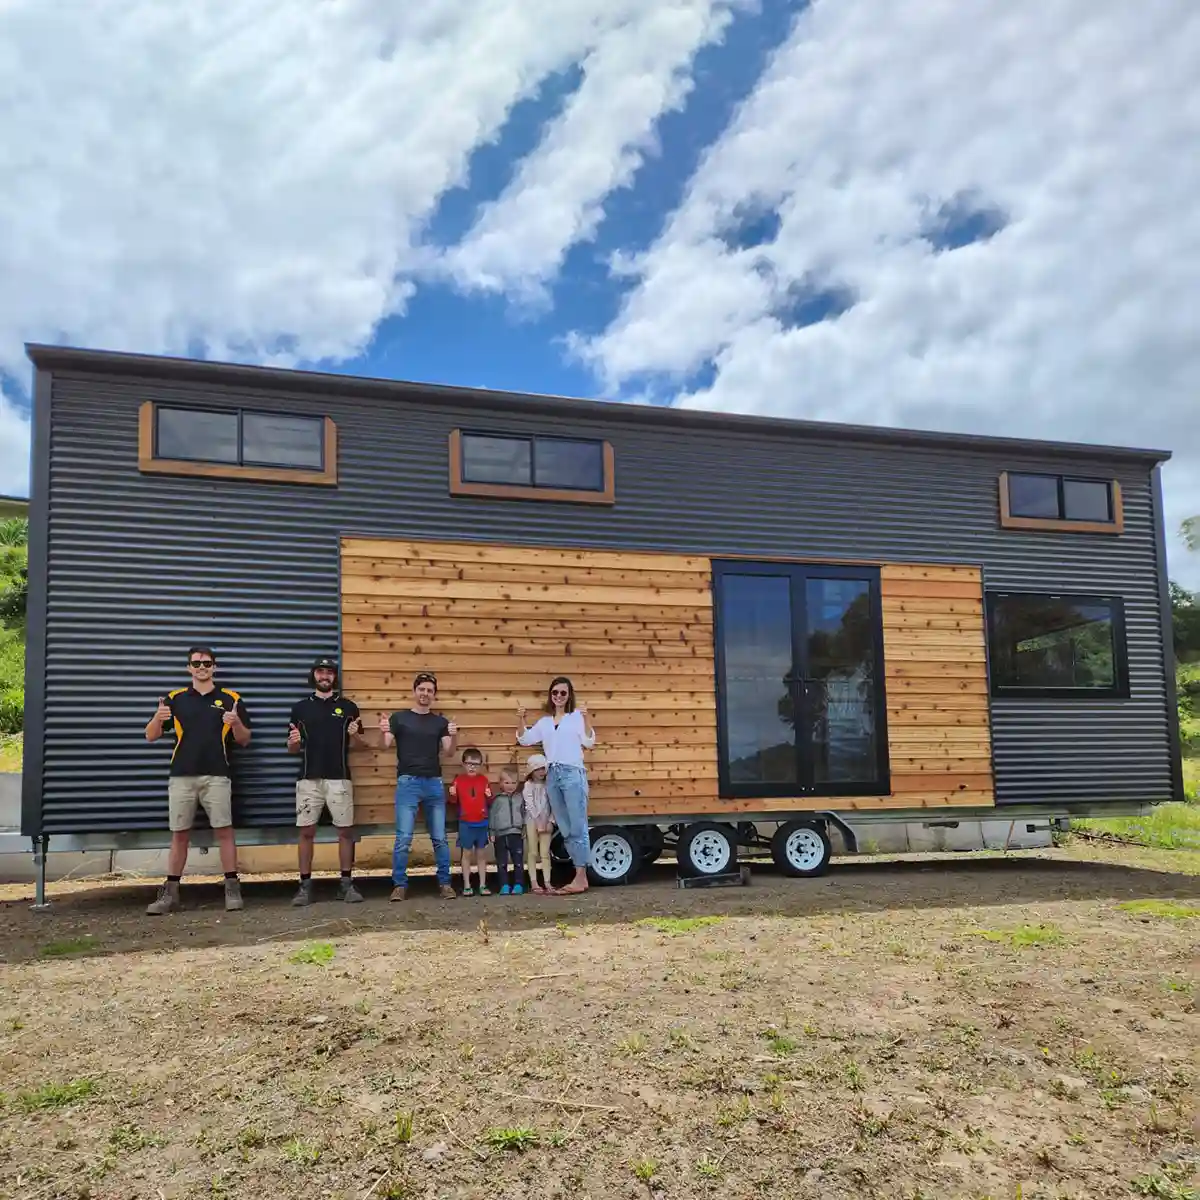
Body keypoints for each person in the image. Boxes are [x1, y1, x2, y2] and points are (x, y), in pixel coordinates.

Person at [143, 646, 252, 915]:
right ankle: (170, 894)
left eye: (207, 663)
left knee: (225, 832)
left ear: (215, 667)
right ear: (188, 668)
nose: (202, 667)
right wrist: (158, 718)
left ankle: (232, 889)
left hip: (218, 775)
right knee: (179, 835)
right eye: (196, 663)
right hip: (182, 776)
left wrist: (236, 723)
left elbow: (245, 740)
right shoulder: (174, 699)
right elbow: (150, 736)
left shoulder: (231, 699)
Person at [287, 656, 366, 906]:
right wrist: (293, 743)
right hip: (308, 780)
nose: (325, 676)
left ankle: (346, 884)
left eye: (329, 672)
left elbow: (361, 746)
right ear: (314, 676)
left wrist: (356, 736)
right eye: (320, 672)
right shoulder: (299, 708)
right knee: (306, 832)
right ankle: (304, 886)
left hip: (339, 779)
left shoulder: (349, 707)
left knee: (345, 832)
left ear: (335, 677)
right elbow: (292, 748)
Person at [381, 671, 457, 901]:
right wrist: (383, 730)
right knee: (403, 837)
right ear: (415, 691)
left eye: (430, 691)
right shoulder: (399, 718)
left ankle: (445, 884)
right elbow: (384, 745)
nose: (425, 693)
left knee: (440, 838)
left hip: (433, 783)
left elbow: (450, 751)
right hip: (408, 783)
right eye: (422, 689)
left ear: (434, 695)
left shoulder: (440, 722)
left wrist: (454, 735)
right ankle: (399, 885)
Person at [517, 676, 595, 896]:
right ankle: (578, 876)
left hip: (572, 773)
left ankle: (581, 877)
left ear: (569, 695)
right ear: (550, 696)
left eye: (563, 693)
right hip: (553, 775)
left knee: (578, 825)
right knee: (566, 826)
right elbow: (525, 739)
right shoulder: (544, 722)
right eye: (555, 693)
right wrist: (521, 719)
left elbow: (589, 741)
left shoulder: (576, 717)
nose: (559, 696)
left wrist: (587, 719)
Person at [450, 747, 493, 896]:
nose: (472, 767)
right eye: (469, 763)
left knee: (481, 854)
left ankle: (482, 884)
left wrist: (489, 796)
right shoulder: (459, 780)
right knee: (466, 854)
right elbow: (453, 802)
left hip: (481, 822)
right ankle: (467, 885)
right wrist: (452, 795)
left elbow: (489, 802)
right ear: (463, 764)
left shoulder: (483, 780)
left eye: (475, 764)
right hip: (466, 823)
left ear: (481, 765)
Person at [489, 764, 525, 896]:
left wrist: (524, 828)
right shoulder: (497, 800)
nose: (510, 785)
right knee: (501, 862)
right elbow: (492, 816)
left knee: (518, 862)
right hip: (500, 835)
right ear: (501, 783)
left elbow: (524, 813)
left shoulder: (520, 798)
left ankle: (519, 884)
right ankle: (504, 885)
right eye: (507, 782)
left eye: (514, 782)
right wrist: (492, 832)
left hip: (516, 833)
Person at [522, 754, 554, 894]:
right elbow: (530, 805)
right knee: (533, 852)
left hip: (547, 821)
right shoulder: (528, 786)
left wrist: (551, 821)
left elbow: (554, 804)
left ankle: (547, 881)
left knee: (545, 853)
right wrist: (538, 821)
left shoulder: (549, 785)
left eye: (543, 768)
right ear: (531, 771)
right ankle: (534, 881)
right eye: (538, 769)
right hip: (532, 821)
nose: (541, 772)